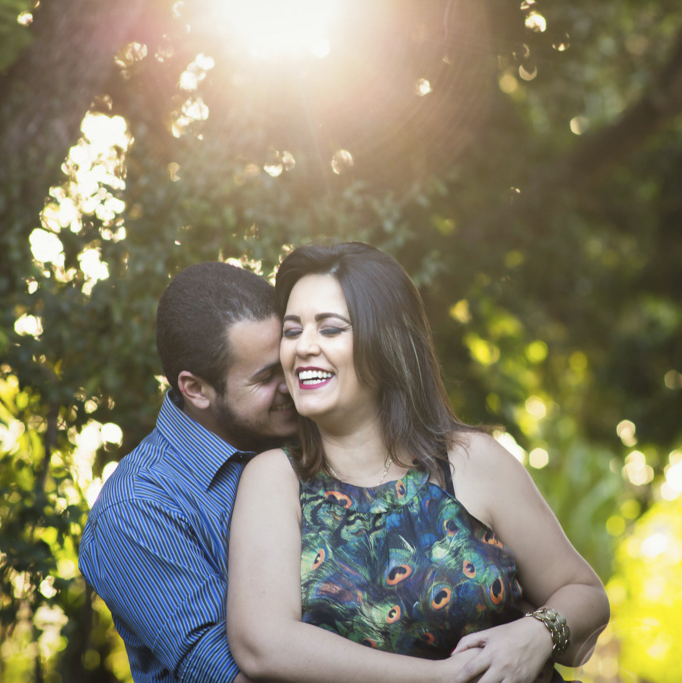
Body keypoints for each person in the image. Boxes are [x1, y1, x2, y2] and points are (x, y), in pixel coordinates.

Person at [227, 242, 610, 683]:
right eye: (292, 331)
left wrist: (536, 634)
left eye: (330, 329)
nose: (303, 347)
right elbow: (263, 643)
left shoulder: (469, 460)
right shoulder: (276, 479)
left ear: (386, 342)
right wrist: (444, 677)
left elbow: (585, 594)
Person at [79, 262, 298, 683]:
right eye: (267, 377)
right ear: (196, 389)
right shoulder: (136, 510)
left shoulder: (301, 436)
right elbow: (234, 675)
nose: (290, 385)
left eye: (288, 363)